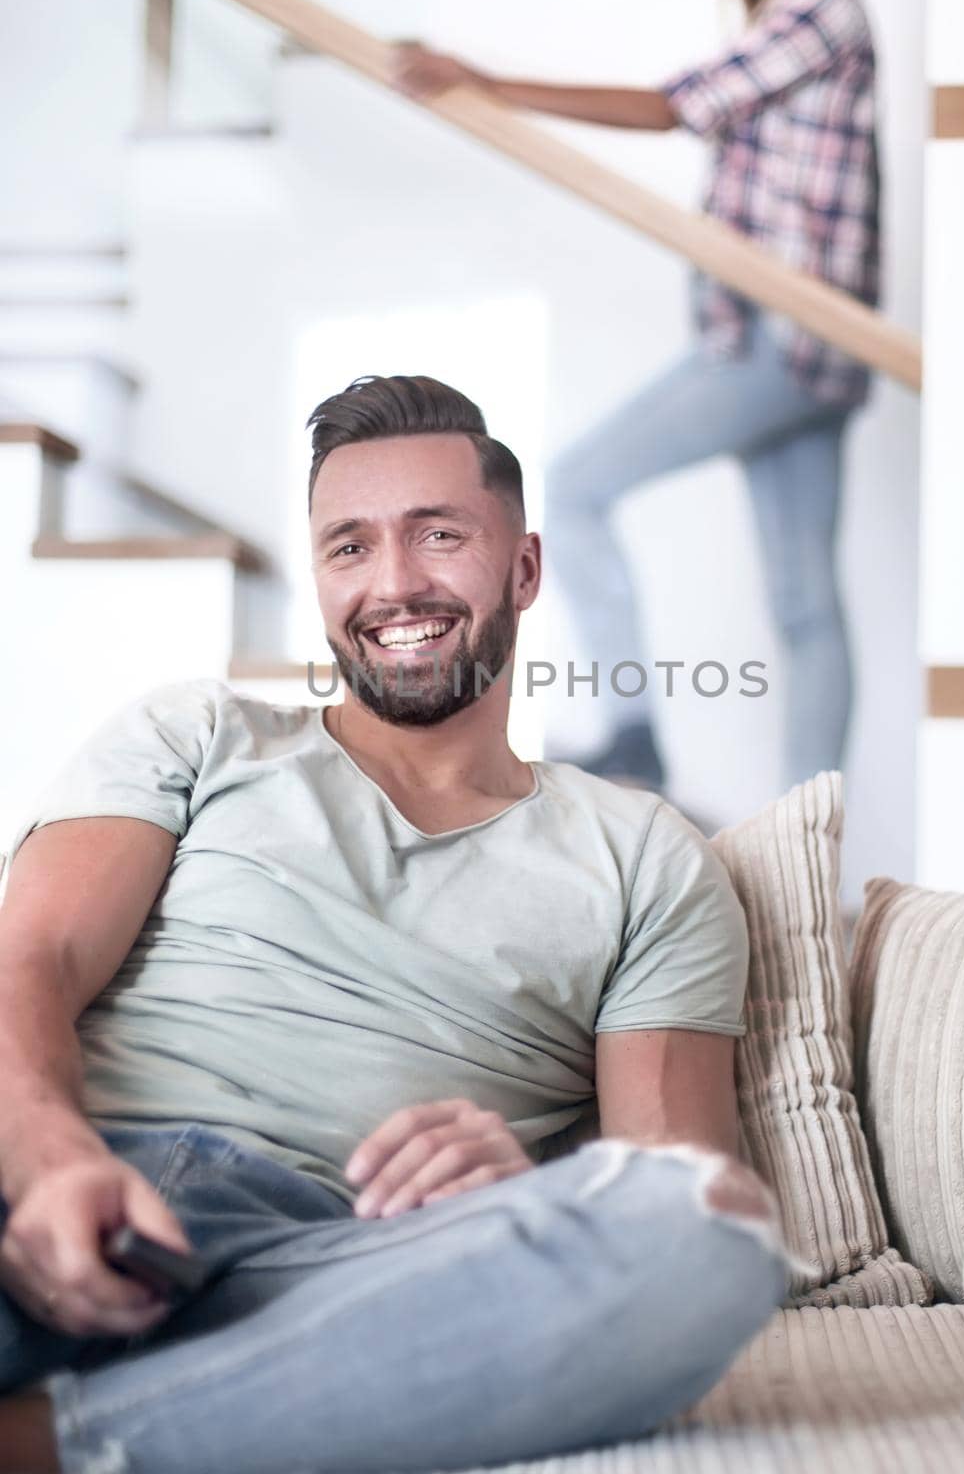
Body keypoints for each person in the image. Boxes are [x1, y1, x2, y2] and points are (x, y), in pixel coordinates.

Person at [0, 375, 794, 1474]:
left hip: (342, 1258)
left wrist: (521, 1188)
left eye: (437, 536)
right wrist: (49, 1162)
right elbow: (25, 962)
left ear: (522, 566)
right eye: (349, 548)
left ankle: (54, 1445)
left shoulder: (646, 854)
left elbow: (675, 1172)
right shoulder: (197, 734)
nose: (394, 584)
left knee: (702, 1234)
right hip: (80, 1178)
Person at [391, 0, 880, 791]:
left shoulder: (820, 9)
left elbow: (672, 105)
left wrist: (483, 81)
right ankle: (810, 825)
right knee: (805, 602)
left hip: (782, 341)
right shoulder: (806, 21)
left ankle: (633, 735)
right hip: (806, 351)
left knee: (572, 487)